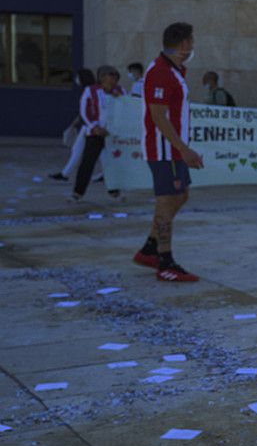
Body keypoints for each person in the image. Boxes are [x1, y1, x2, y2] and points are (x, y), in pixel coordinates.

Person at [133, 22, 204, 283]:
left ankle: (150, 248)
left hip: (172, 150)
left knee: (180, 195)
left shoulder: (173, 71)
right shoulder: (161, 72)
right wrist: (183, 149)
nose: (193, 45)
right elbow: (158, 116)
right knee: (167, 200)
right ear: (184, 44)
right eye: (192, 40)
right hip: (165, 151)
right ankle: (165, 261)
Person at [70, 66, 124, 202]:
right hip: (95, 133)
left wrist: (121, 99)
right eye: (110, 75)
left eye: (115, 76)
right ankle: (78, 192)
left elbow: (126, 109)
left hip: (113, 134)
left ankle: (114, 191)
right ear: (102, 77)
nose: (113, 79)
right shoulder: (91, 91)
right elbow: (84, 110)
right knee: (88, 162)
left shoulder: (120, 91)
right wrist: (94, 126)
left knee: (113, 163)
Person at [50, 68, 97, 183]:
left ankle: (65, 174)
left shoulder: (90, 91)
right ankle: (65, 174)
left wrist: (76, 123)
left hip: (91, 127)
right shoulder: (90, 90)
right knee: (77, 149)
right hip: (88, 127)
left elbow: (87, 111)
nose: (76, 79)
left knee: (102, 154)